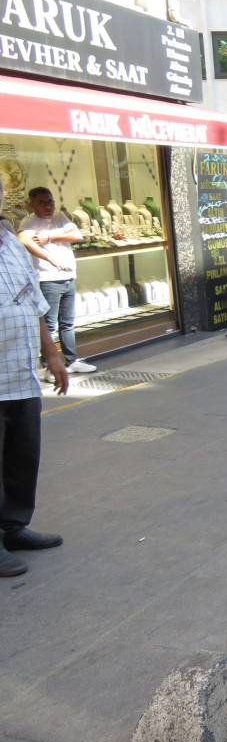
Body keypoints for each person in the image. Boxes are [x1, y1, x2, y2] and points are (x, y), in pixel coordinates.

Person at [0, 180, 69, 578]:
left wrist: (53, 353)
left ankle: (12, 526)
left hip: (20, 373)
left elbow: (33, 299)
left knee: (22, 457)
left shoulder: (9, 238)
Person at [17, 187, 97, 375]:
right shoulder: (29, 222)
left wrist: (49, 237)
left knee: (68, 323)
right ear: (32, 204)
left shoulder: (60, 217)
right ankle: (48, 366)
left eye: (50, 201)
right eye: (42, 202)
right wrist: (51, 259)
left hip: (68, 277)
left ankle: (72, 360)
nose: (48, 206)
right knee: (49, 325)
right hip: (48, 279)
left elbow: (77, 235)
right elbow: (25, 241)